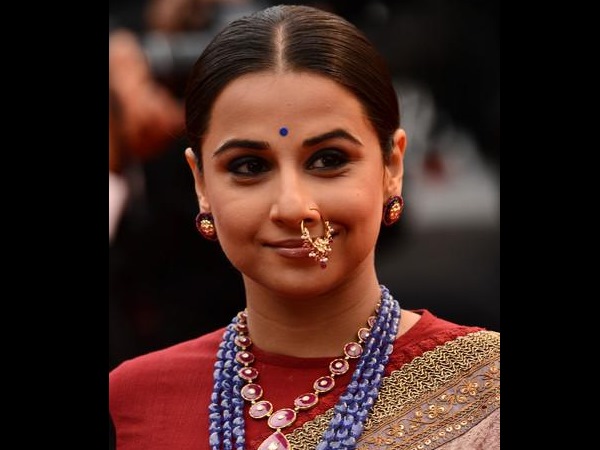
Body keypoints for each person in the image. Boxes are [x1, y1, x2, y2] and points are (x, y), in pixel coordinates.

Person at [109, 4, 500, 449]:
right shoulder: (135, 400)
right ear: (201, 183)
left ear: (392, 166)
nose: (293, 206)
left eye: (328, 160)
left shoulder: (486, 388)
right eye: (249, 166)